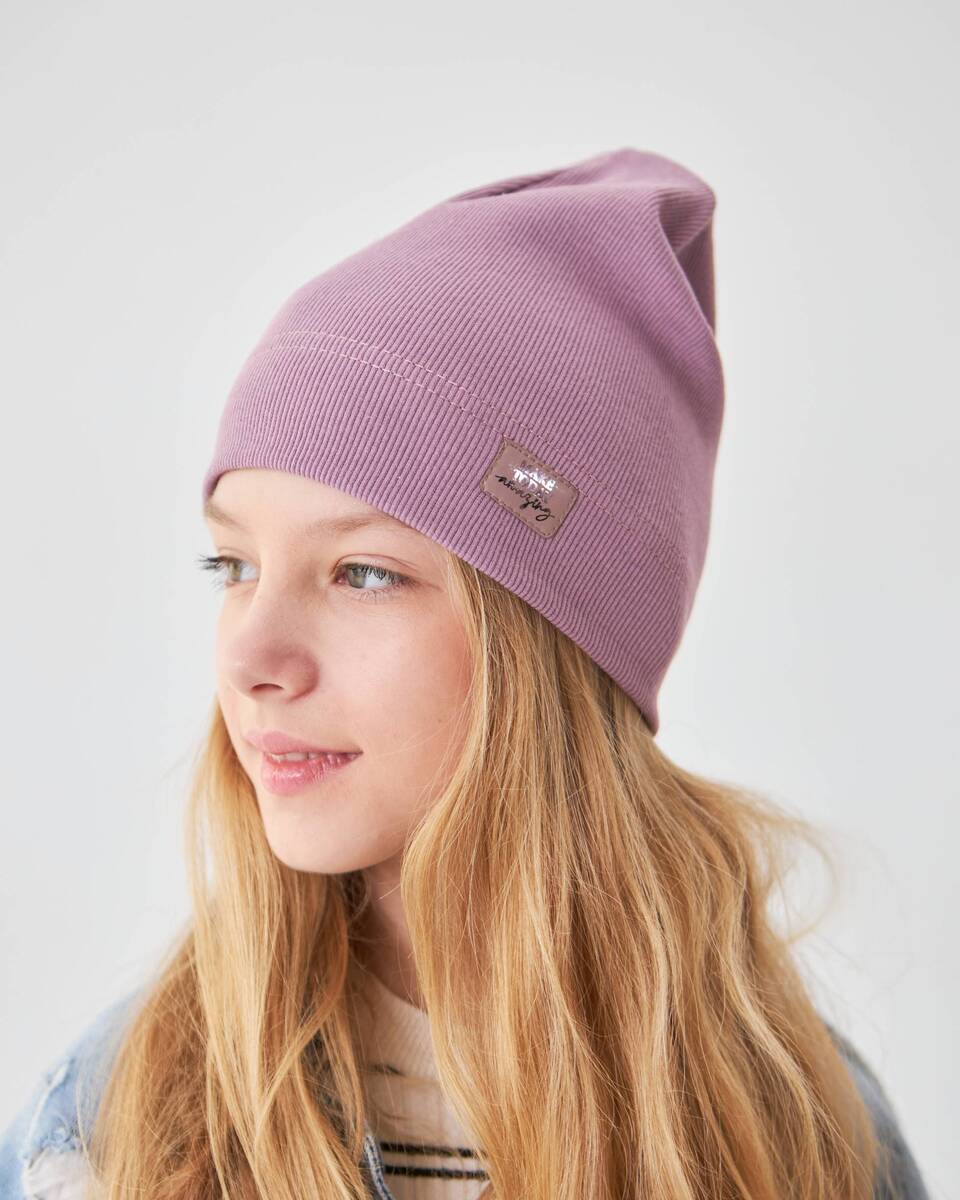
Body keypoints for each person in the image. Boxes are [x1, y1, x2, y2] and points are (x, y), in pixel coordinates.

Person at [0, 147, 932, 1200]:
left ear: (547, 642)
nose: (251, 660)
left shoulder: (789, 1127)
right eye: (235, 565)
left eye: (362, 573)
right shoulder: (111, 1131)